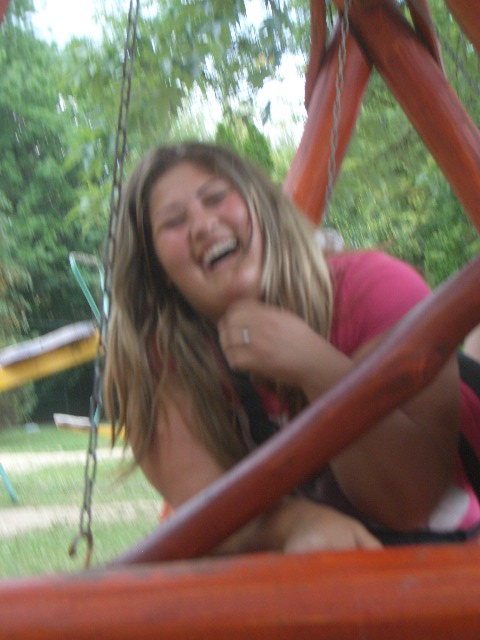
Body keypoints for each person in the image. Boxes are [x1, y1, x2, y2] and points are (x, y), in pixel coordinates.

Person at [104, 142, 480, 554]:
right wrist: (291, 523)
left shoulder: (374, 290)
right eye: (174, 221)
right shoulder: (154, 360)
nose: (203, 224)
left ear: (261, 209)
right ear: (157, 267)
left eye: (215, 197)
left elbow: (409, 503)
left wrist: (314, 365)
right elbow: (204, 516)